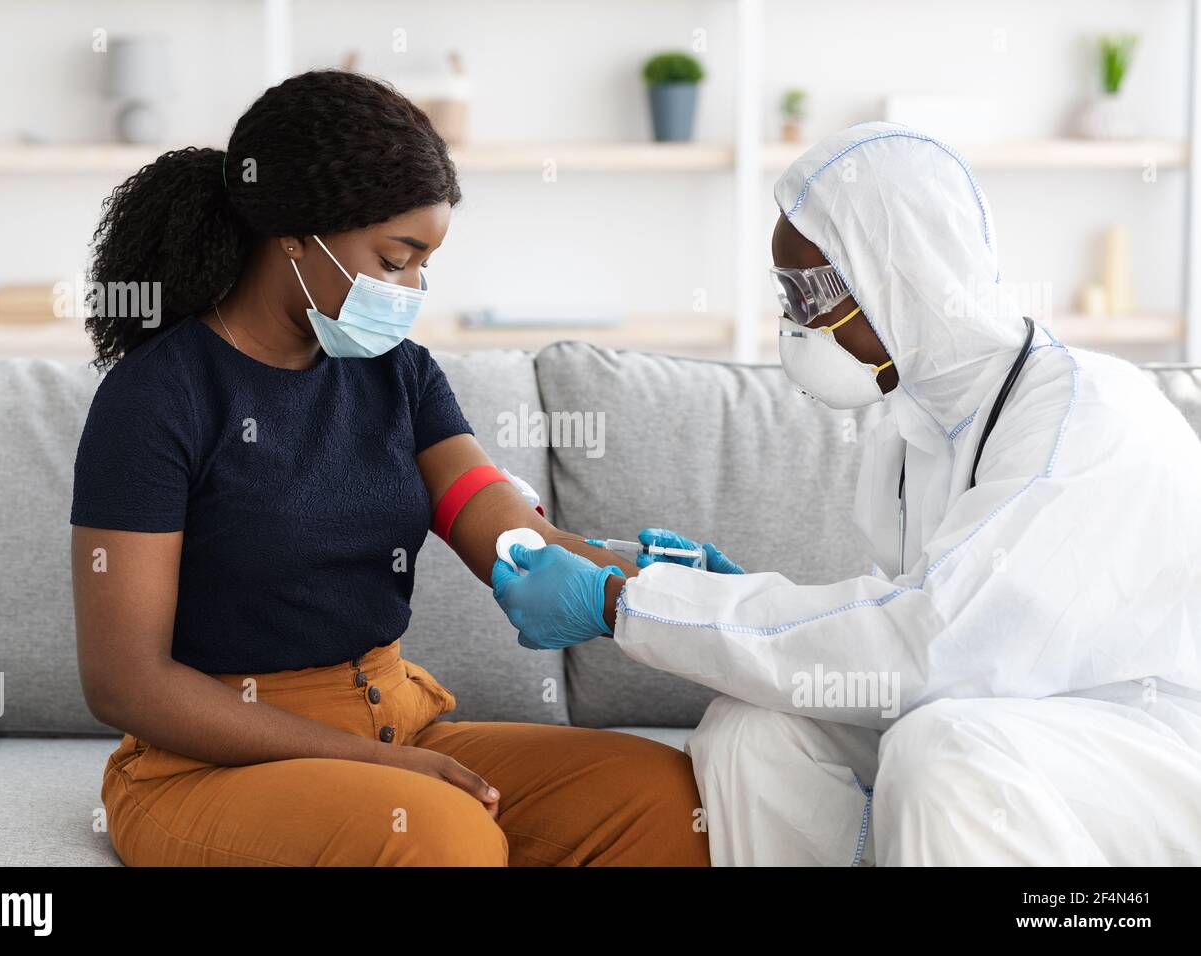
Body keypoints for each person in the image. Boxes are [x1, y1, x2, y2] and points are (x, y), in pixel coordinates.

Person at [491, 122, 1201, 866]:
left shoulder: (1085, 419)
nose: (797, 322)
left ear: (901, 277)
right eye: (786, 293)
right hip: (1009, 714)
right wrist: (732, 603)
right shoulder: (911, 422)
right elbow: (905, 622)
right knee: (754, 726)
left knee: (944, 752)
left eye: (816, 290)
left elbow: (924, 649)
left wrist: (626, 602)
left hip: (1143, 749)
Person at [71, 69, 708, 867]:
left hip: (392, 717)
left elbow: (497, 524)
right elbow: (124, 683)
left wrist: (661, 584)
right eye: (397, 259)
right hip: (206, 764)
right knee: (441, 837)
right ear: (296, 233)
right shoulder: (159, 396)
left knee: (665, 797)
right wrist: (377, 766)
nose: (412, 292)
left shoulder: (398, 373)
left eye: (425, 266)